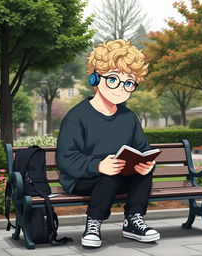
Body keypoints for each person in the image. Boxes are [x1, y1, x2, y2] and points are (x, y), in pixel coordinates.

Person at [56, 39, 160, 248]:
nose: (121, 88)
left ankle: (133, 220)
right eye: (113, 79)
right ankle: (93, 223)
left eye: (128, 82)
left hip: (119, 174)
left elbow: (142, 148)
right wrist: (97, 165)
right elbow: (66, 158)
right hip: (81, 178)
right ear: (95, 78)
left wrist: (146, 162)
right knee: (108, 175)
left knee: (142, 171)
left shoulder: (129, 117)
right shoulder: (76, 117)